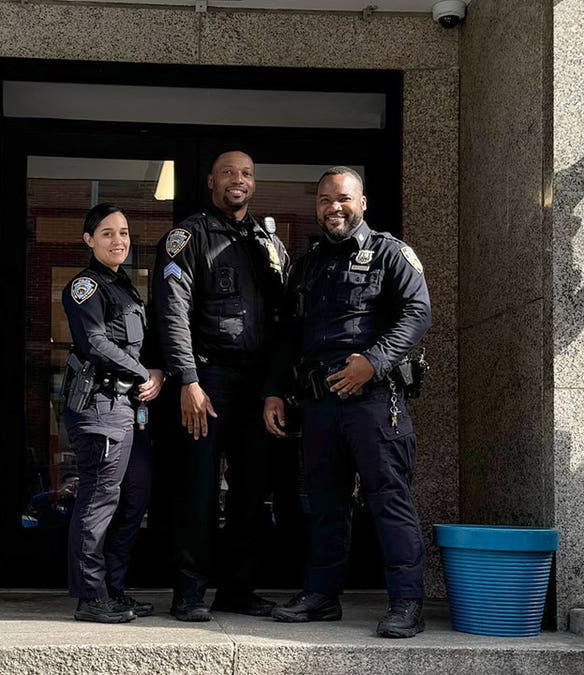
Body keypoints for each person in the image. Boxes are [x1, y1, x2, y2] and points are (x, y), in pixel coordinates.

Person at [263, 166, 432, 638]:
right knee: (324, 504)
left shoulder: (390, 253)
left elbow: (419, 312)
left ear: (362, 203)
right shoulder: (310, 263)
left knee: (388, 500)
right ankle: (322, 596)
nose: (332, 207)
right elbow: (289, 334)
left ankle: (406, 603)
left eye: (341, 198)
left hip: (375, 402)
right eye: (323, 200)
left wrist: (373, 363)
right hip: (319, 405)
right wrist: (274, 389)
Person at [151, 150, 289, 621]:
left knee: (252, 491)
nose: (238, 180)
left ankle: (238, 590)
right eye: (229, 172)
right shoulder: (186, 237)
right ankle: (188, 593)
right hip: (206, 381)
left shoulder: (267, 242)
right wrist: (188, 380)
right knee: (199, 490)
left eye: (247, 173)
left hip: (257, 386)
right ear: (211, 180)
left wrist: (274, 386)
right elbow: (172, 313)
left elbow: (283, 322)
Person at [61, 203, 165, 623]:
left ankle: (113, 590)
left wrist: (156, 371)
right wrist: (145, 372)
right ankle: (91, 596)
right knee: (98, 500)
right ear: (89, 240)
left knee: (134, 495)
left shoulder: (125, 287)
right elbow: (95, 343)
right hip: (99, 407)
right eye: (107, 233)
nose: (118, 240)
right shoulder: (85, 286)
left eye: (123, 233)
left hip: (127, 408)